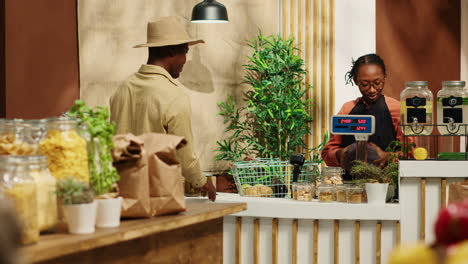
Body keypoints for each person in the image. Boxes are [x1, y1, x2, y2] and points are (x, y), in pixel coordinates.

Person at [110, 16, 216, 201]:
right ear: (171, 51)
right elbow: (184, 154)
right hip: (157, 195)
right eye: (185, 52)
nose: (185, 60)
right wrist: (202, 182)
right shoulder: (173, 96)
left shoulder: (123, 88)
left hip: (121, 192)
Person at [321, 54, 405, 175]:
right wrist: (342, 154)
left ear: (385, 78)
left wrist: (388, 157)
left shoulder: (397, 110)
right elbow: (327, 152)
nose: (372, 90)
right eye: (365, 84)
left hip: (388, 183)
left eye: (377, 83)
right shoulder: (347, 110)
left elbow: (410, 153)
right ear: (356, 81)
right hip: (350, 185)